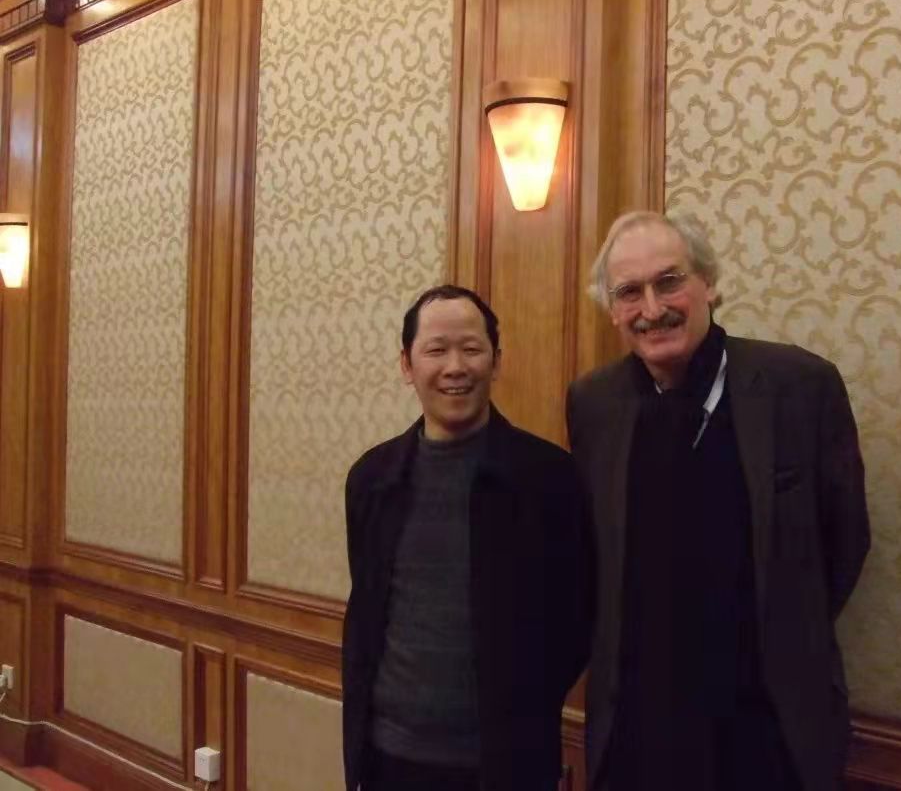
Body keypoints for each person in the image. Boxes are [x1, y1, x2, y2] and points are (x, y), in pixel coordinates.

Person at [566, 212, 870, 791]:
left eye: (669, 281)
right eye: (629, 292)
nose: (652, 308)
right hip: (639, 726)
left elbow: (846, 540)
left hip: (769, 726)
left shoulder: (800, 386)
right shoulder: (593, 404)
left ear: (708, 283)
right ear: (612, 311)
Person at [342, 285, 592, 791]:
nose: (455, 367)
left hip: (506, 763)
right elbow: (367, 607)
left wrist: (522, 706)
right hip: (389, 757)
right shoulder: (372, 478)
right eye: (436, 350)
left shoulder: (550, 478)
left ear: (496, 361)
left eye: (472, 349)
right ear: (407, 365)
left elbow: (578, 620)